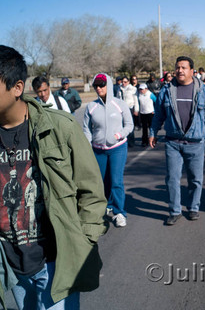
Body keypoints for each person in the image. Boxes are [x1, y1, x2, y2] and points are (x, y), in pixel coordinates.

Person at [0, 45, 107, 309]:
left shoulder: (61, 127)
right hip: (11, 265)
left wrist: (84, 239)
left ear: (16, 88)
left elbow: (91, 191)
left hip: (56, 262)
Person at [149, 56, 205, 225]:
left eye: (184, 67)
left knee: (195, 179)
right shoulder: (167, 90)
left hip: (195, 143)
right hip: (173, 142)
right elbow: (158, 114)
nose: (180, 70)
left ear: (191, 71)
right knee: (172, 178)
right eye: (177, 67)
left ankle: (193, 208)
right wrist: (153, 132)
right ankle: (175, 211)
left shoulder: (203, 90)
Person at [83, 73, 134, 227]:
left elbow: (129, 125)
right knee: (102, 182)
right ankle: (106, 206)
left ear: (109, 86)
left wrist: (119, 135)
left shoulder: (120, 104)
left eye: (102, 85)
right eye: (96, 86)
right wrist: (87, 145)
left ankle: (119, 213)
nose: (99, 88)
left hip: (117, 148)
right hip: (98, 150)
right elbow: (87, 129)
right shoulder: (91, 107)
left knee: (116, 181)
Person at [120, 76, 139, 147]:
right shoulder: (120, 89)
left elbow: (136, 100)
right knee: (122, 126)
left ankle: (131, 142)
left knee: (130, 125)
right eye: (122, 82)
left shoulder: (133, 89)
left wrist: (136, 110)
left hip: (130, 108)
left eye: (125, 82)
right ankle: (124, 141)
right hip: (121, 109)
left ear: (128, 82)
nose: (123, 83)